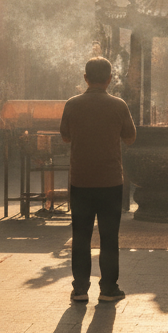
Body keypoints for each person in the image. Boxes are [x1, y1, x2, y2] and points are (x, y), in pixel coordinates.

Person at [60, 56, 136, 303]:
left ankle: (80, 288)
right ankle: (108, 288)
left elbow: (65, 136)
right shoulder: (119, 105)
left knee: (80, 236)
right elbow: (131, 137)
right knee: (109, 237)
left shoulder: (72, 104)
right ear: (109, 79)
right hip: (110, 181)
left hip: (81, 180)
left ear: (85, 78)